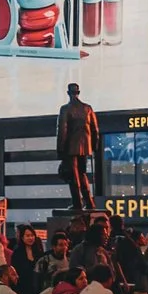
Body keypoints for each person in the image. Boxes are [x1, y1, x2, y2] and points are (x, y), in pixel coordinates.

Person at [56, 83, 99, 211]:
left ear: (68, 93)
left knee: (74, 176)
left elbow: (62, 131)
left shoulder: (65, 109)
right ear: (78, 92)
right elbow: (95, 129)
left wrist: (60, 150)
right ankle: (89, 203)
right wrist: (94, 146)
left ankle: (77, 204)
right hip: (85, 147)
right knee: (82, 174)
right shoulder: (88, 108)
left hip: (70, 147)